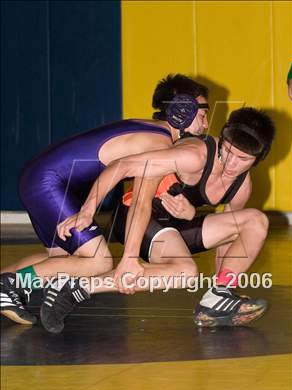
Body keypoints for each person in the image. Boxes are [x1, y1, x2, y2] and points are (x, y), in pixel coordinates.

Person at [39, 106, 275, 333]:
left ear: (258, 159)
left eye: (243, 159)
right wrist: (88, 211)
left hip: (174, 225)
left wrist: (224, 283)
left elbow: (228, 243)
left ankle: (217, 297)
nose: (232, 164)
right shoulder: (194, 155)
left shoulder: (242, 186)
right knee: (186, 273)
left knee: (255, 221)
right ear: (222, 139)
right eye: (229, 151)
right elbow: (122, 166)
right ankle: (72, 287)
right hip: (137, 216)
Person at [0, 74, 209, 325]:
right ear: (182, 111)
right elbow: (140, 203)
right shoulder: (160, 144)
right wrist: (128, 256)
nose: (206, 125)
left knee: (63, 262)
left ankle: (6, 284)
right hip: (49, 183)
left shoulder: (150, 131)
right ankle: (9, 286)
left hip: (42, 178)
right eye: (203, 114)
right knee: (99, 261)